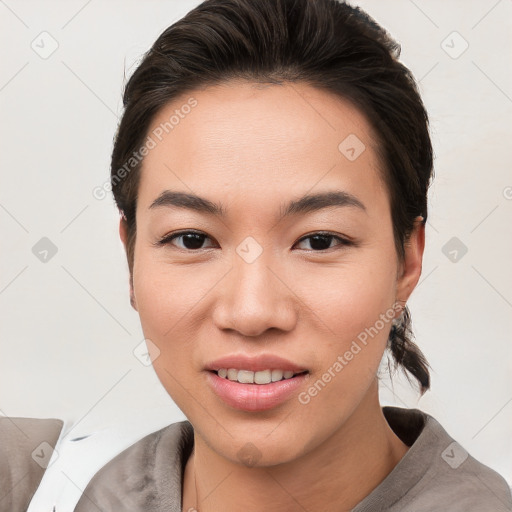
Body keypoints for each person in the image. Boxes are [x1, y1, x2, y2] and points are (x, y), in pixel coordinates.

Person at [73, 0, 512, 510]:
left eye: (320, 240)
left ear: (406, 262)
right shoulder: (73, 489)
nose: (252, 312)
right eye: (192, 239)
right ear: (131, 259)